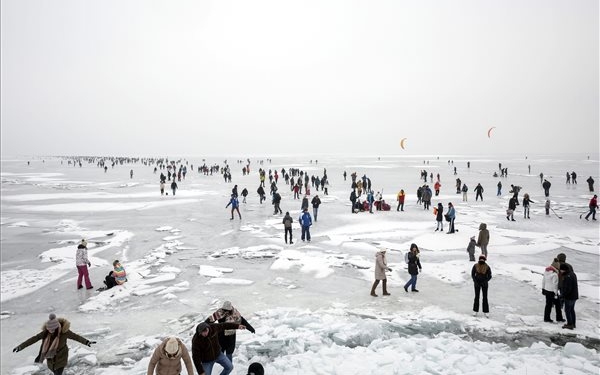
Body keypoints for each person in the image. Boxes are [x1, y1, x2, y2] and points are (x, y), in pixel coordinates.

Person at [13, 313, 96, 375]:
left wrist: (87, 342)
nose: (50, 332)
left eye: (52, 330)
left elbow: (76, 337)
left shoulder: (64, 332)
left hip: (61, 357)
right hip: (50, 359)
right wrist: (20, 347)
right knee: (54, 372)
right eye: (48, 330)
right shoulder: (46, 332)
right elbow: (33, 339)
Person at [559, 263, 578, 329]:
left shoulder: (568, 276)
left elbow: (568, 289)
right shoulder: (573, 274)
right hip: (574, 296)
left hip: (570, 297)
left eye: (560, 270)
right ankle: (573, 323)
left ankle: (570, 324)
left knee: (567, 310)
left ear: (563, 270)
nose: (560, 271)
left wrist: (562, 295)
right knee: (572, 310)